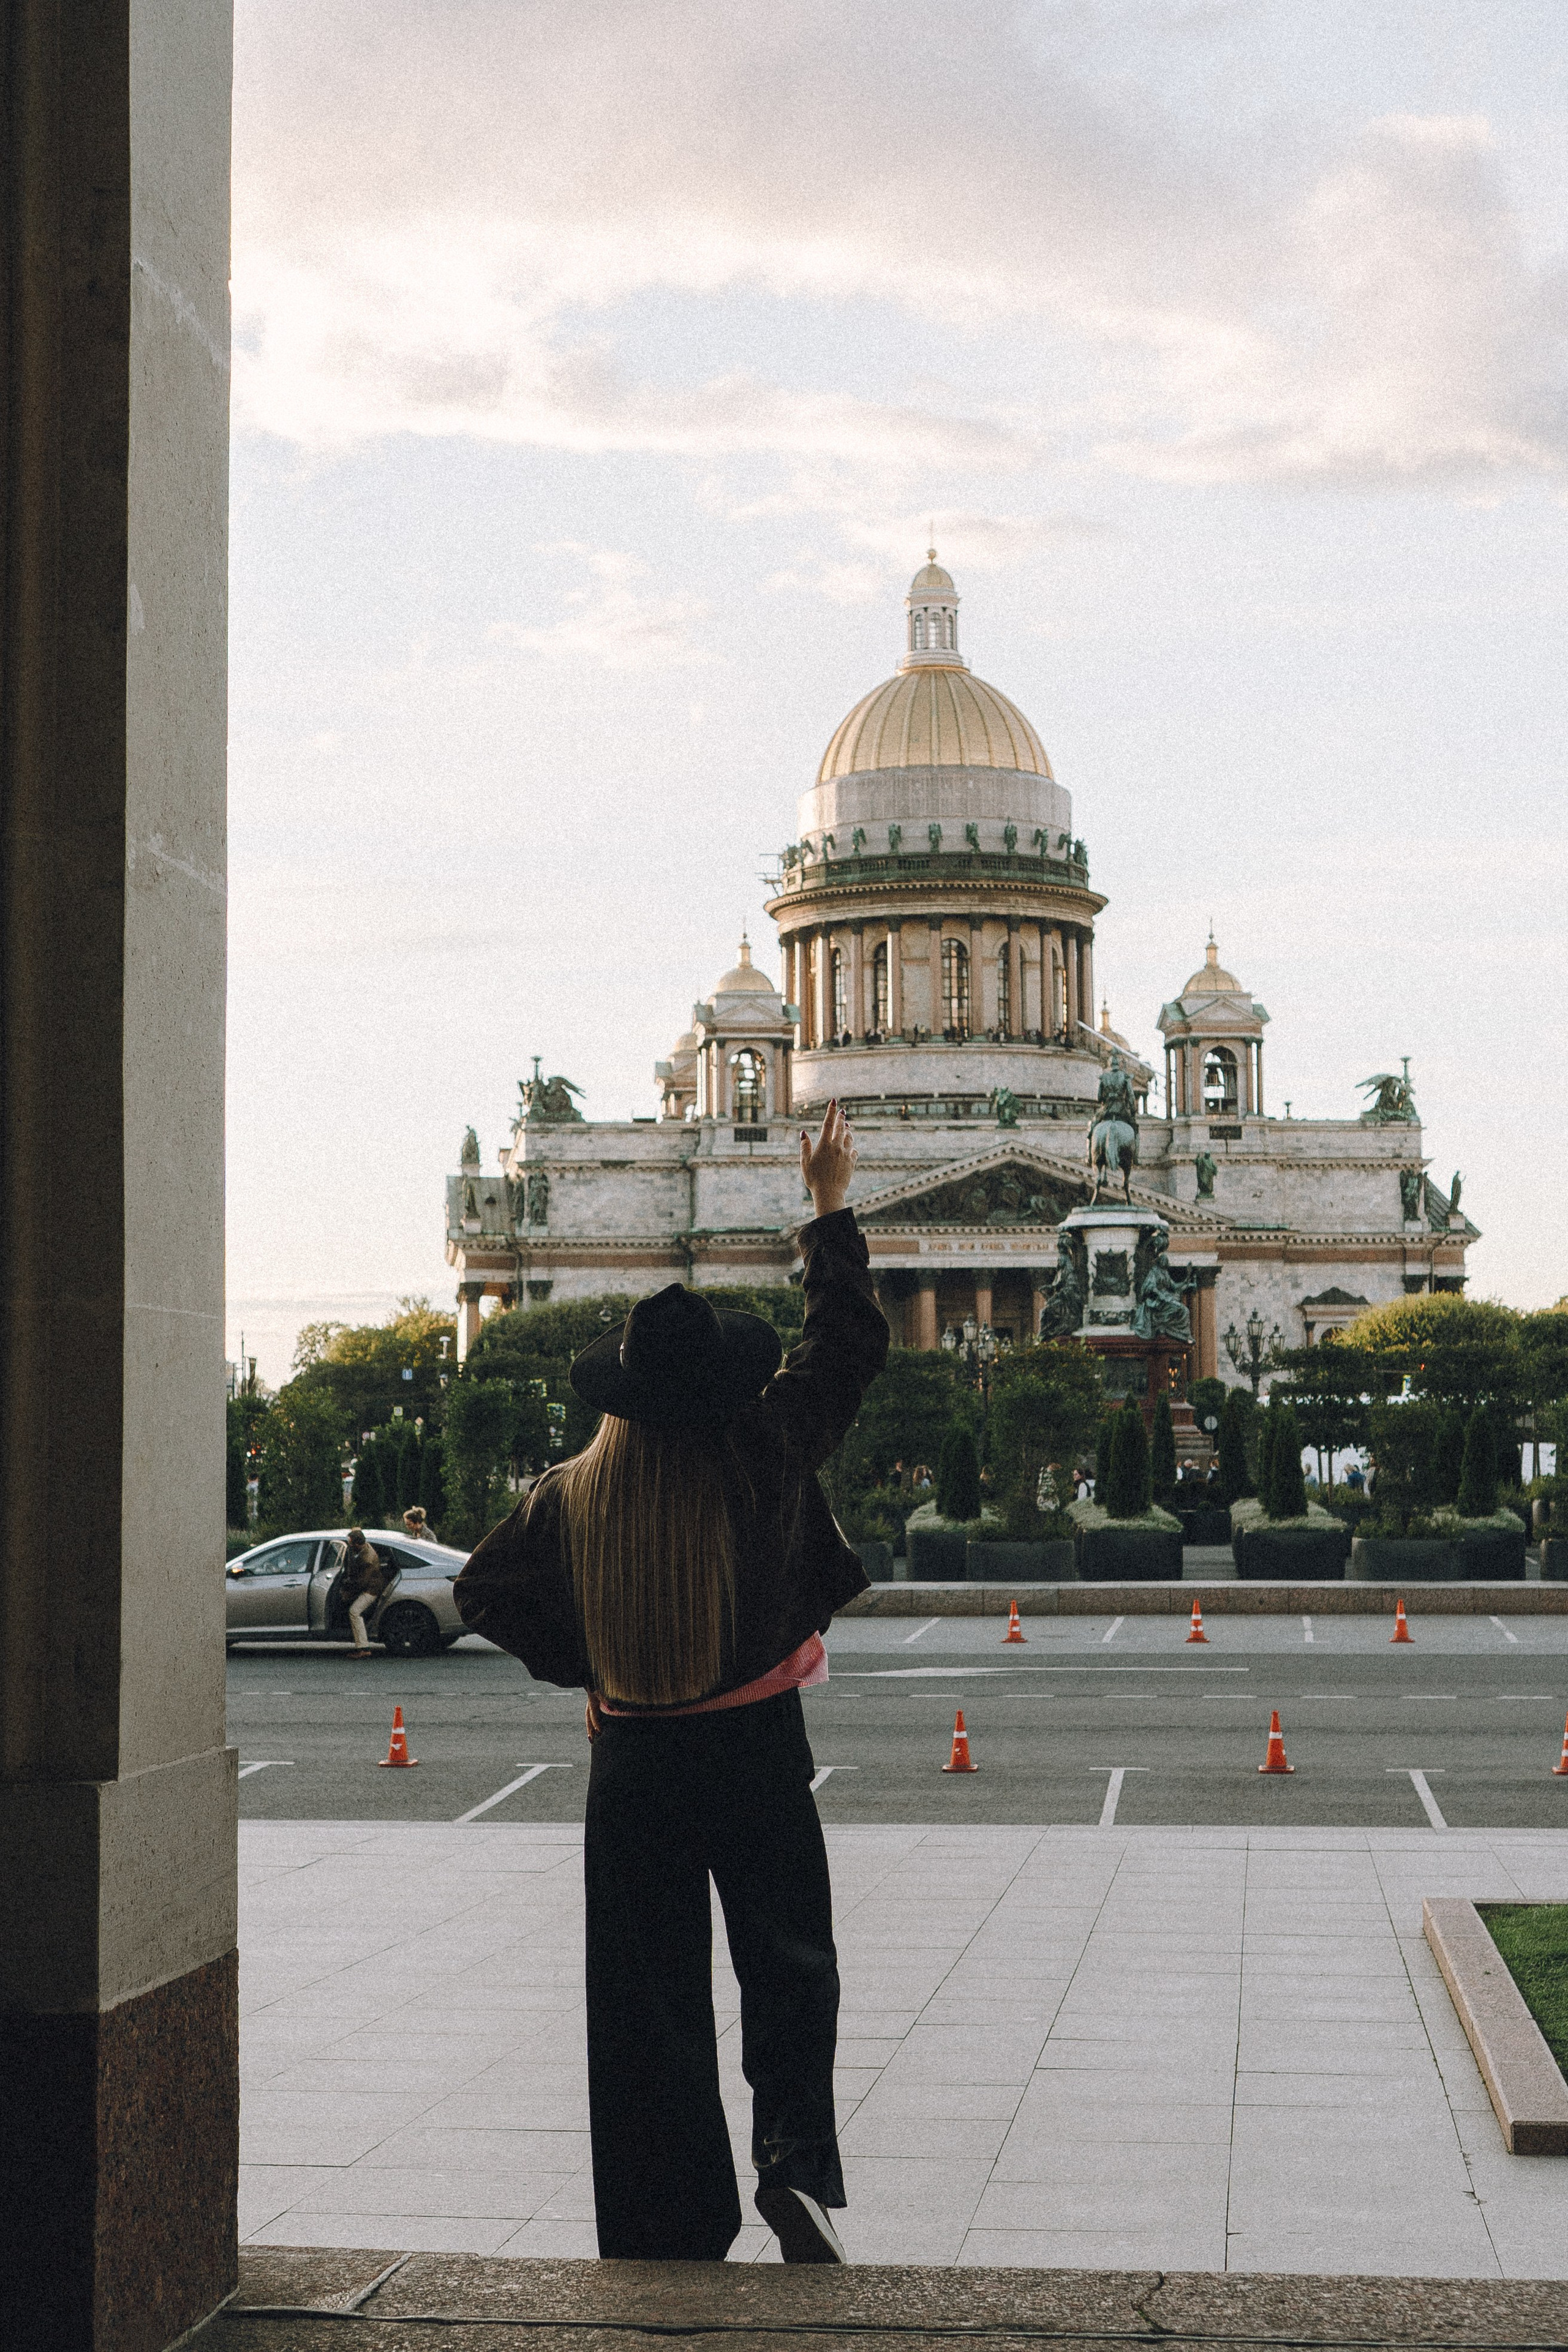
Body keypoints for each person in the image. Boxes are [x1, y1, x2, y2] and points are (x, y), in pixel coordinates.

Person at [454, 1104, 888, 2266]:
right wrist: (829, 1208)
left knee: (644, 2002)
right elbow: (846, 1347)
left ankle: (668, 2223)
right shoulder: (764, 1449)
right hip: (756, 1747)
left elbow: (484, 1593)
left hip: (634, 1758)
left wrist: (593, 1669)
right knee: (789, 1966)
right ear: (729, 1383)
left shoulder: (571, 1493)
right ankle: (793, 2162)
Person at [342, 1527, 386, 1657]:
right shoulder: (362, 1548)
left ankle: (363, 1648)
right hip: (367, 1585)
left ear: (356, 1544)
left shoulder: (368, 1560)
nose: (349, 1546)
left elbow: (362, 1583)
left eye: (350, 1544)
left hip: (371, 1589)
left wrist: (347, 1593)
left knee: (354, 1612)